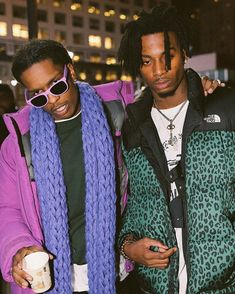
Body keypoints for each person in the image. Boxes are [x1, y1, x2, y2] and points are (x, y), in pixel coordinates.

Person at [0, 39, 222, 294]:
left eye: (56, 85)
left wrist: (196, 87)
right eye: (38, 95)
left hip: (113, 269)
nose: (52, 100)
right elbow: (7, 208)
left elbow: (167, 104)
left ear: (70, 71)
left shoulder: (118, 114)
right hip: (47, 278)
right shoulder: (17, 144)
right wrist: (19, 247)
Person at [118, 3, 235, 294]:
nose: (159, 71)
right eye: (147, 61)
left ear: (184, 54)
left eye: (166, 57)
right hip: (155, 284)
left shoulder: (226, 107)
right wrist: (128, 247)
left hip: (222, 283)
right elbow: (136, 202)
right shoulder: (133, 125)